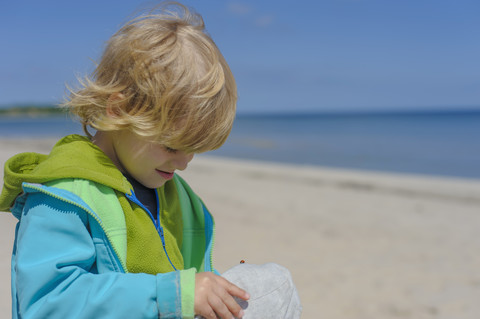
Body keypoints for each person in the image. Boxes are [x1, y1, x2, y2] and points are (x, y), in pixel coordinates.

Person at [0, 2, 301, 318]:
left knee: (272, 282)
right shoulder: (64, 197)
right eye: (172, 146)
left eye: (194, 148)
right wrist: (168, 295)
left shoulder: (178, 197)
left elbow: (186, 276)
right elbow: (47, 304)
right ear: (119, 109)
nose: (184, 162)